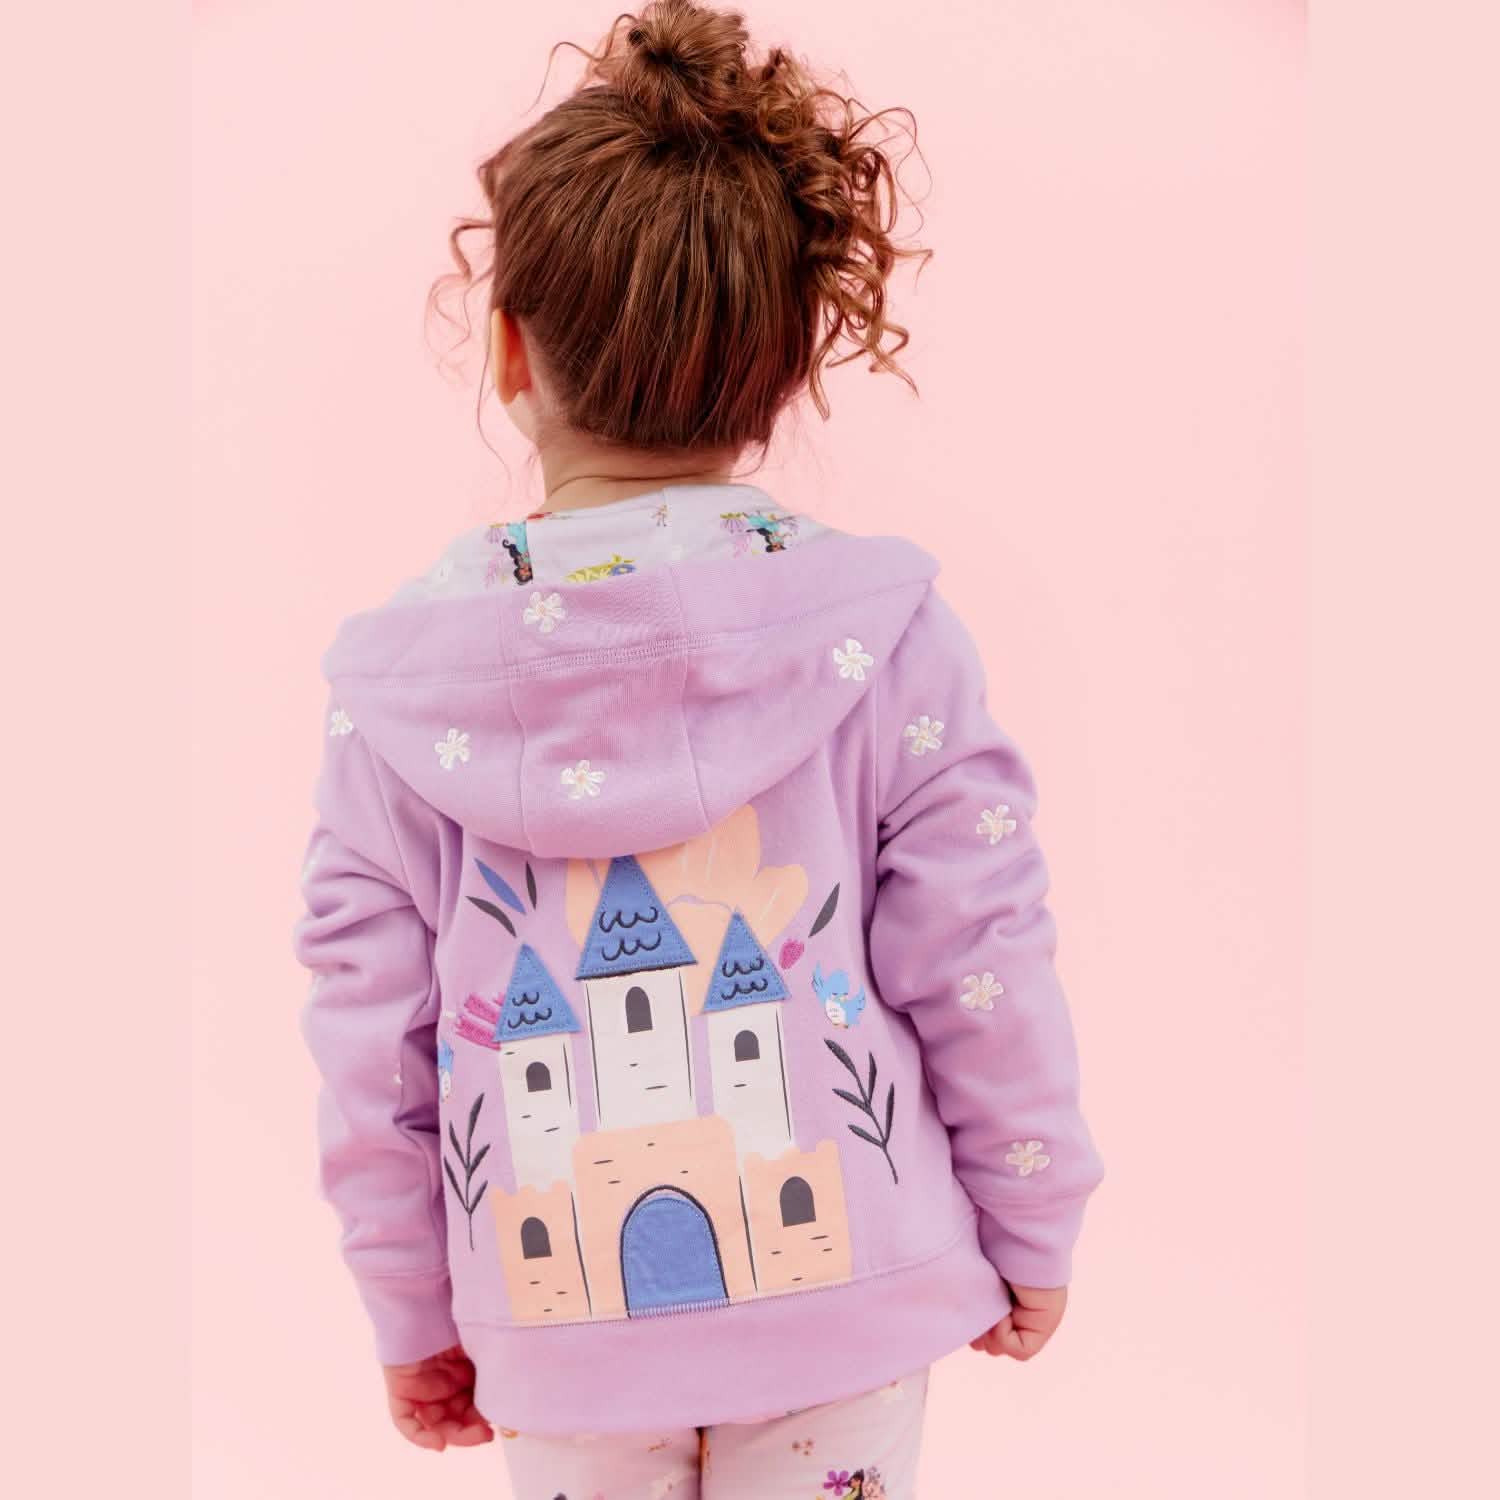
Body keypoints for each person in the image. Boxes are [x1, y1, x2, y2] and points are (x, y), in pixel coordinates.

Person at [295, 5, 1102, 1495]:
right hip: (850, 1301)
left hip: (550, 1322)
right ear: (789, 366)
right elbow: (983, 957)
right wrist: (1032, 1211)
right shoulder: (887, 636)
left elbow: (371, 1041)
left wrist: (409, 1304)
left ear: (508, 348)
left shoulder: (400, 683)